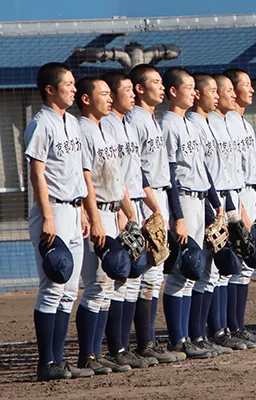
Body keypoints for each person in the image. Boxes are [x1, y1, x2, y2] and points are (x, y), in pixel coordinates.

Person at [26, 62, 89, 381]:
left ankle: (59, 361)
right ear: (50, 89)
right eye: (68, 83)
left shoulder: (73, 122)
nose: (74, 88)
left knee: (69, 291)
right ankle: (45, 362)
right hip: (51, 213)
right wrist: (48, 217)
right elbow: (37, 173)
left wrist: (82, 210)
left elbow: (76, 170)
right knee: (52, 287)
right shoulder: (40, 124)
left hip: (73, 210)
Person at [75, 76, 138, 374]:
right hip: (97, 213)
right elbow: (86, 179)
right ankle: (88, 354)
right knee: (97, 284)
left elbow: (119, 178)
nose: (110, 98)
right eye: (103, 94)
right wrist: (95, 219)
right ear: (86, 99)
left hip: (114, 213)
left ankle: (100, 354)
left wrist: (133, 216)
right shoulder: (83, 129)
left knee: (110, 285)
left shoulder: (106, 127)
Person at [100, 71, 160, 369]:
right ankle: (117, 348)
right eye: (125, 90)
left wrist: (153, 206)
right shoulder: (109, 125)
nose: (131, 96)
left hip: (135, 202)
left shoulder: (125, 124)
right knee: (121, 277)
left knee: (138, 277)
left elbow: (136, 171)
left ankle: (134, 345)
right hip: (119, 206)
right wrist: (127, 213)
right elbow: (114, 175)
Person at [185, 72, 243, 353]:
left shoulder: (211, 123)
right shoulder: (193, 124)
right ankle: (199, 334)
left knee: (218, 271)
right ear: (197, 94)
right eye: (215, 91)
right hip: (203, 202)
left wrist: (229, 207)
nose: (219, 96)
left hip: (219, 199)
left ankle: (215, 331)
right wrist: (214, 208)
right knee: (201, 270)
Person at [125, 64, 178, 363]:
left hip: (159, 195)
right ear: (140, 88)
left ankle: (148, 341)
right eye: (155, 82)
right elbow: (137, 169)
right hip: (146, 198)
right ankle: (142, 343)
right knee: (143, 272)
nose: (161, 87)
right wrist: (153, 206)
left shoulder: (151, 119)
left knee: (155, 272)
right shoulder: (135, 119)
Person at [160, 67, 214, 359]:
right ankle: (177, 338)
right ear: (173, 91)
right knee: (182, 270)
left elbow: (202, 169)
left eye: (196, 87)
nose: (195, 92)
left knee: (196, 270)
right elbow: (169, 173)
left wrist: (215, 205)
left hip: (199, 199)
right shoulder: (168, 124)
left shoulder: (191, 124)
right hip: (182, 200)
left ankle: (192, 336)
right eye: (189, 87)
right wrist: (176, 215)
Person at [223, 68, 256, 345]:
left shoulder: (243, 122)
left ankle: (238, 326)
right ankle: (229, 327)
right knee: (237, 261)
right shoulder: (228, 122)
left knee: (246, 265)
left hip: (251, 194)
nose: (251, 90)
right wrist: (239, 207)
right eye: (244, 85)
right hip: (237, 194)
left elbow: (254, 168)